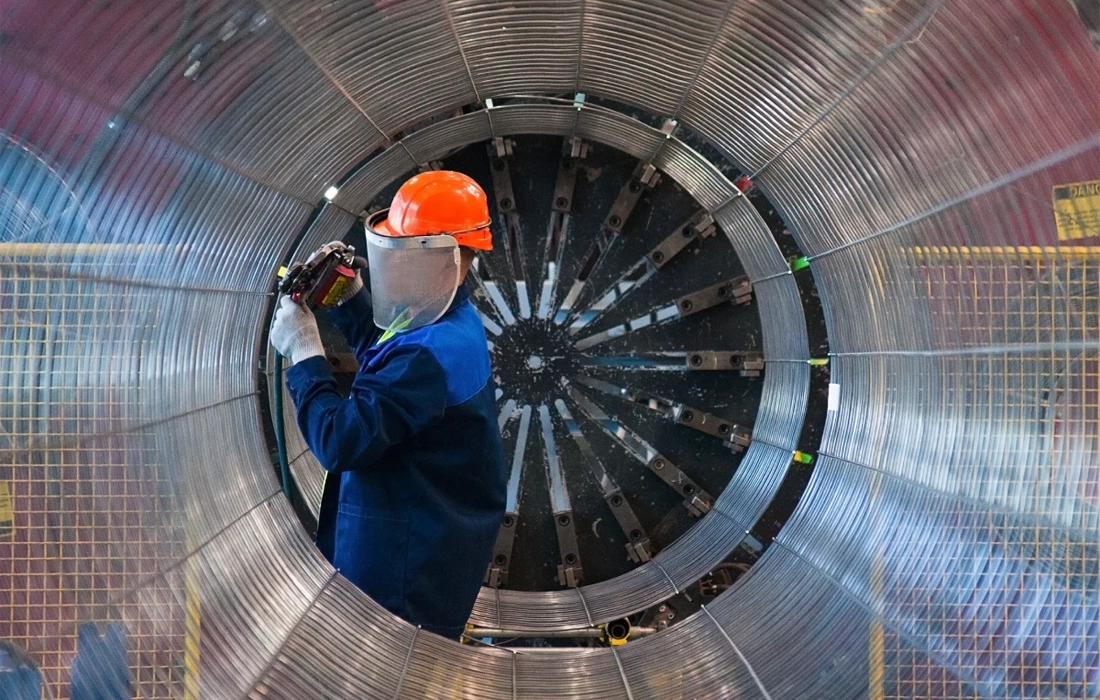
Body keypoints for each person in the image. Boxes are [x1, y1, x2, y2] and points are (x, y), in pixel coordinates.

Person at [270, 171, 506, 639]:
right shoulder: (449, 321)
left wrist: (304, 355)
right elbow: (389, 365)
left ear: (448, 258)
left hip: (402, 576)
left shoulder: (430, 351)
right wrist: (347, 299)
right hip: (422, 553)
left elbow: (340, 442)